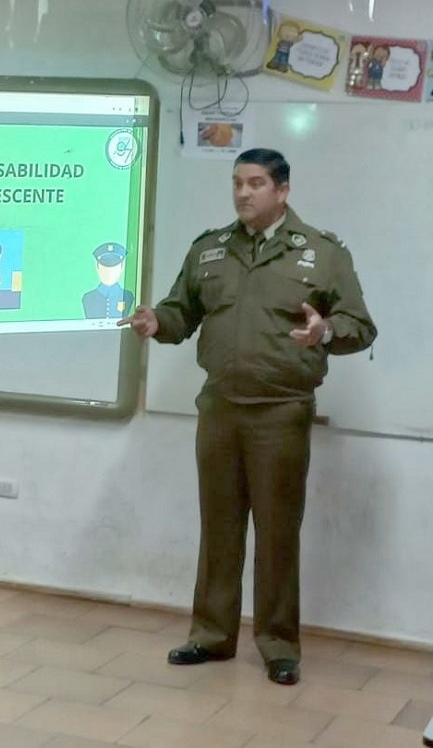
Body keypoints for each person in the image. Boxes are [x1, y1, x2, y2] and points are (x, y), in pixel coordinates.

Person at [118, 148, 377, 686]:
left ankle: (279, 644)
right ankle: (211, 635)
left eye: (255, 183)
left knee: (278, 532)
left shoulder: (323, 254)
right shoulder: (210, 250)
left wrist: (323, 332)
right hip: (219, 407)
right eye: (237, 182)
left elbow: (360, 325)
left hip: (281, 410)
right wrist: (155, 321)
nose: (242, 193)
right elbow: (181, 312)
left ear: (282, 191)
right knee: (220, 528)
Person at [81, 242, 134, 319]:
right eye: (105, 267)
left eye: (114, 266)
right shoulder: (88, 298)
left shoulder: (128, 296)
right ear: (98, 267)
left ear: (121, 267)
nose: (109, 271)